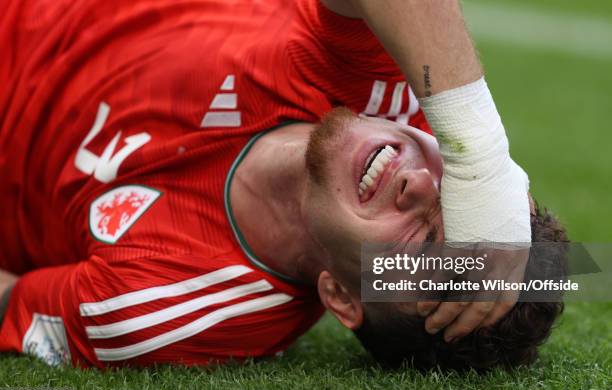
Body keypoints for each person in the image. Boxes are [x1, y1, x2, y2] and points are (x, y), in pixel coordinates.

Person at [0, 0, 564, 369]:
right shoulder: (375, 82)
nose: (418, 181)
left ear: (341, 296)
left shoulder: (168, 305)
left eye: (419, 243)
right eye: (456, 190)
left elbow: (10, 302)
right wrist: (478, 157)